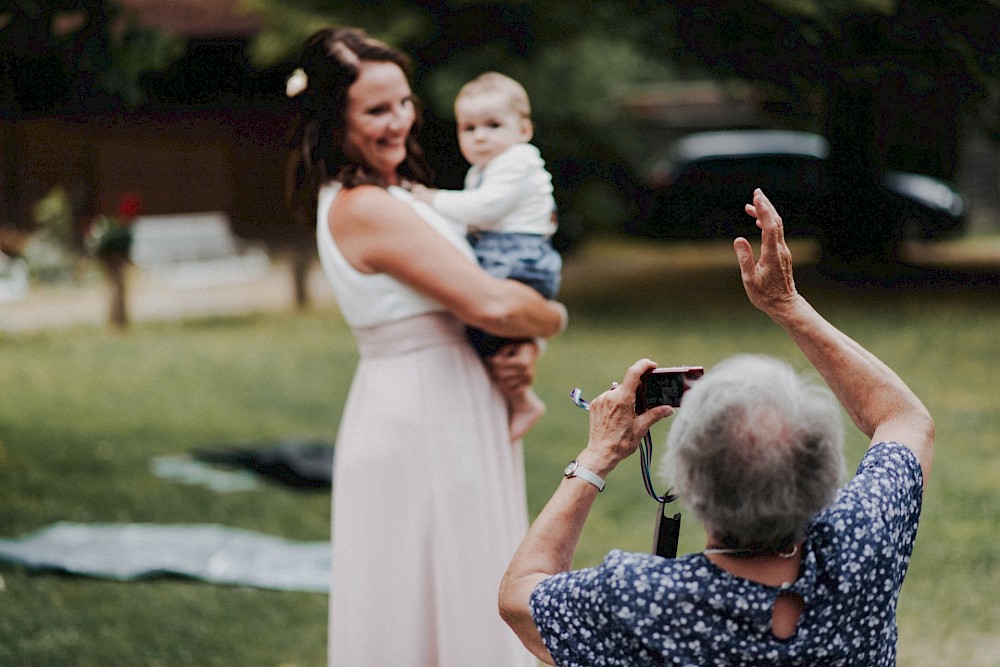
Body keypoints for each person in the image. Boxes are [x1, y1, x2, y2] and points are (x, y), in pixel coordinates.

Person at [499, 189, 935, 666]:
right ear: (824, 476)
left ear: (688, 481)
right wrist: (787, 304)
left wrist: (599, 453)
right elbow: (904, 418)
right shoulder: (863, 543)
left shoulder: (641, 602)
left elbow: (520, 595)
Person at [284, 27, 566, 667]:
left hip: (453, 399)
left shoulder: (391, 195)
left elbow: (481, 301)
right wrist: (552, 316)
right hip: (421, 413)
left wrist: (526, 348)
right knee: (444, 583)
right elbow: (492, 302)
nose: (399, 122)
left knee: (472, 577)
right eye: (376, 110)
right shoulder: (364, 207)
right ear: (335, 120)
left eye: (404, 103)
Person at [411, 71, 561, 440]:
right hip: (505, 252)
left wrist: (430, 199)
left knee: (480, 320)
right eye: (468, 127)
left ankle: (523, 400)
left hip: (518, 256)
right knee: (491, 333)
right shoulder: (482, 169)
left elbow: (484, 209)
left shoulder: (518, 160)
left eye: (493, 125)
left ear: (523, 130)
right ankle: (517, 390)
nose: (480, 135)